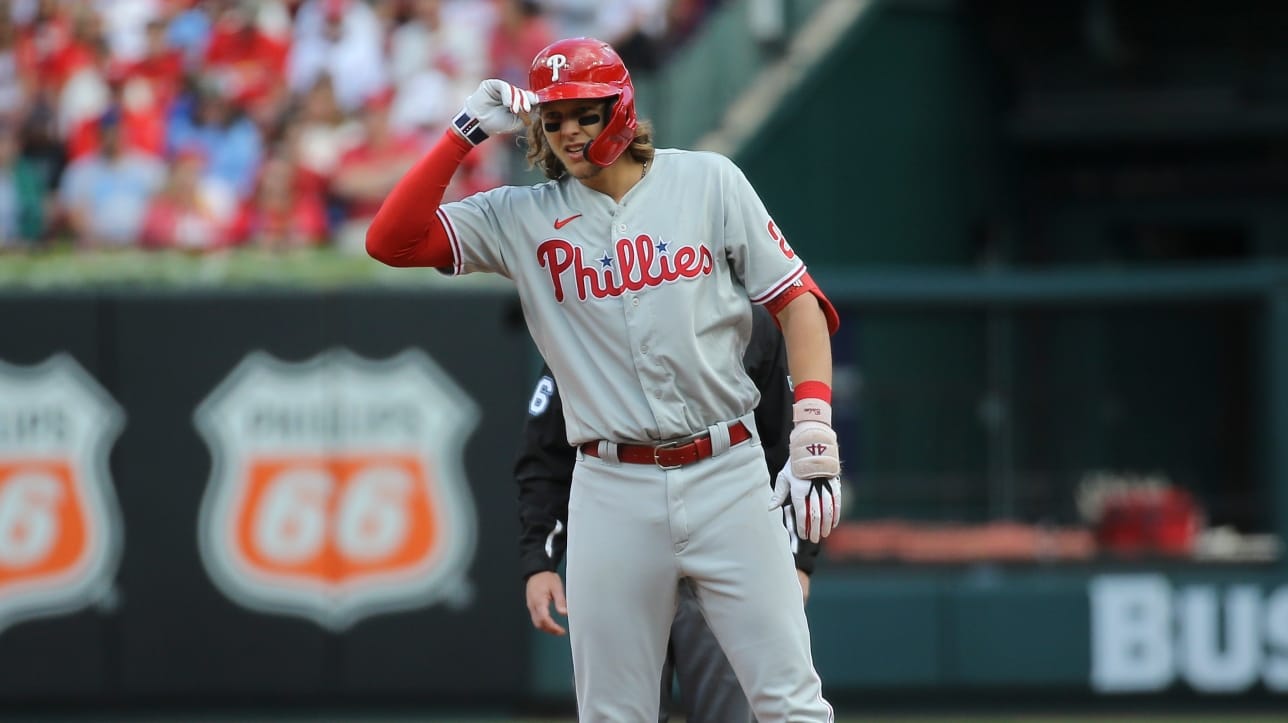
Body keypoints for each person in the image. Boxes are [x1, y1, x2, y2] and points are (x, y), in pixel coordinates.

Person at [366, 37, 843, 722]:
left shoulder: (707, 180)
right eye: (554, 116)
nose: (568, 132)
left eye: (584, 114)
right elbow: (391, 241)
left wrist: (813, 424)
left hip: (729, 469)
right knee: (613, 713)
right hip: (611, 485)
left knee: (792, 704)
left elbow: (798, 302)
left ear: (620, 109)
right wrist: (462, 132)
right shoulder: (520, 216)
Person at [517, 303, 822, 722]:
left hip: (725, 528)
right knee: (618, 712)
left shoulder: (746, 313)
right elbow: (545, 452)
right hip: (621, 528)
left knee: (734, 713)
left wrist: (798, 560)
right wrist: (540, 558)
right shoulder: (592, 311)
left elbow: (782, 448)